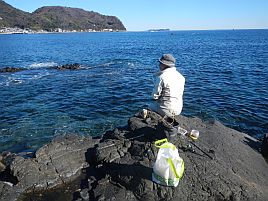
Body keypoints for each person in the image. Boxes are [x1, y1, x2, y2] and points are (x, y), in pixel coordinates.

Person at [150, 54, 185, 118]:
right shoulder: (181, 77)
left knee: (150, 106)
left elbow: (154, 96)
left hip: (165, 111)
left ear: (164, 65)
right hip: (178, 109)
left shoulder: (161, 77)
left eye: (160, 63)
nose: (159, 65)